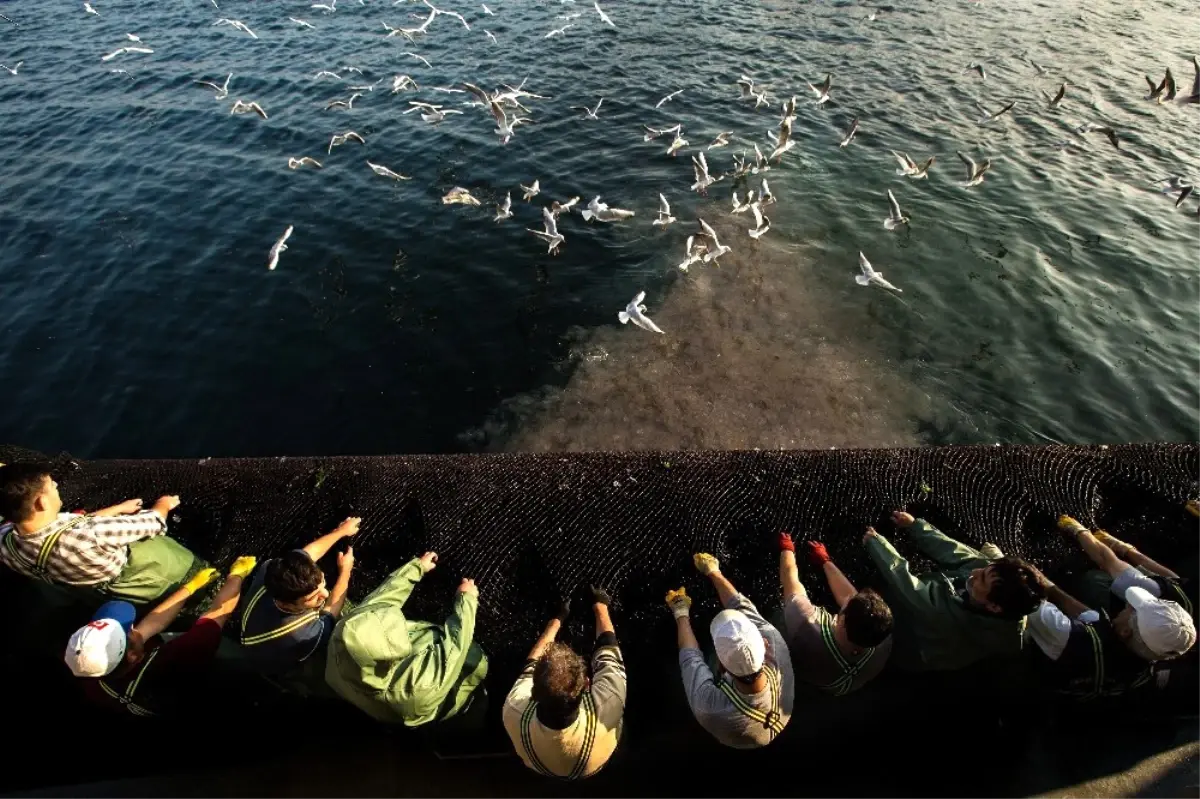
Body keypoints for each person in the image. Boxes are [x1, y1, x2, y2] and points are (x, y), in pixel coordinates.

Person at [69, 556, 256, 717]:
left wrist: (189, 588)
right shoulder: (180, 654)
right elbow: (217, 615)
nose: (134, 628)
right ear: (132, 656)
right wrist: (237, 575)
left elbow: (147, 629)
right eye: (129, 630)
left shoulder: (88, 666)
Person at [864, 510, 1045, 671]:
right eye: (985, 569)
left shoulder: (940, 614)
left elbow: (906, 582)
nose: (975, 572)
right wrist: (915, 526)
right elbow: (952, 550)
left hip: (910, 644)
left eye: (982, 579)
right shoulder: (995, 582)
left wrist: (877, 545)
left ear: (994, 607)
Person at [325, 551, 488, 727]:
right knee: (474, 661)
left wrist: (416, 568)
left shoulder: (350, 631)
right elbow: (456, 648)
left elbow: (384, 598)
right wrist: (466, 600)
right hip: (435, 697)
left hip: (369, 696)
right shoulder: (420, 688)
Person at [0, 463, 202, 604]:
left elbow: (74, 525)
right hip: (145, 576)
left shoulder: (5, 541)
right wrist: (162, 505)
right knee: (195, 578)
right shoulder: (93, 536)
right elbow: (152, 522)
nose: (57, 487)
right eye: (52, 486)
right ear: (42, 502)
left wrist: (117, 509)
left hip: (100, 590)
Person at [666, 552, 794, 749]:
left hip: (734, 737)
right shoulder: (776, 645)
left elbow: (690, 658)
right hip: (777, 719)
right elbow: (743, 608)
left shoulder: (709, 706)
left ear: (721, 665)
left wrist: (680, 610)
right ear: (763, 643)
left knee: (696, 665)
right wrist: (713, 571)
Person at [503, 587, 626, 779]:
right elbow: (608, 650)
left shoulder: (514, 710)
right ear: (587, 684)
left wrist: (556, 620)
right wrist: (600, 605)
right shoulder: (608, 704)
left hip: (540, 766)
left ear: (533, 692)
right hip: (594, 766)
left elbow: (530, 665)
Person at [1025, 565, 1195, 700]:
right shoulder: (1142, 667)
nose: (1127, 605)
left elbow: (1023, 594)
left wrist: (1028, 574)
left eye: (1131, 608)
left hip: (1032, 678)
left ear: (1126, 631)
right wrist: (1048, 585)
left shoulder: (1071, 637)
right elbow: (1090, 618)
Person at [235, 517, 358, 673]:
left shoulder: (271, 569)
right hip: (273, 663)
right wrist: (345, 570)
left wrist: (341, 531)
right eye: (313, 597)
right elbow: (331, 611)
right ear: (286, 604)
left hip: (255, 625)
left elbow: (309, 553)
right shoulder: (303, 634)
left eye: (323, 584)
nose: (325, 594)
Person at [779, 533, 893, 695]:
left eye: (846, 606)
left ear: (842, 620)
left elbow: (790, 580)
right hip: (849, 682)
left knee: (781, 613)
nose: (848, 598)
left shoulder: (807, 624)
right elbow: (854, 600)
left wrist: (787, 549)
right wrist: (826, 561)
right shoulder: (883, 634)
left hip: (815, 673)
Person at [1058, 515, 1192, 620]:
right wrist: (1122, 547)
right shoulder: (1173, 595)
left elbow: (1107, 561)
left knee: (1093, 579)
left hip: (1117, 614)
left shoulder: (1144, 606)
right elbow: (1172, 582)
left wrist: (1079, 531)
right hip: (1164, 598)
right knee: (1171, 586)